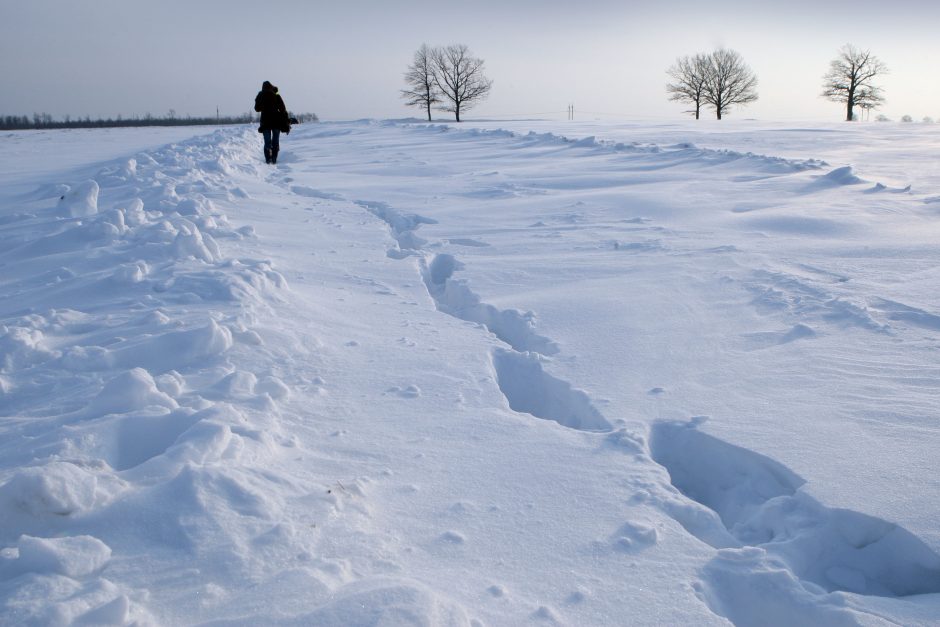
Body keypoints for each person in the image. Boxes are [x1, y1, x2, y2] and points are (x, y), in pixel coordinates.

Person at [254, 81, 290, 164]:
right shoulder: (275, 94)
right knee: (275, 141)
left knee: (267, 142)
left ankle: (268, 159)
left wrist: (259, 99)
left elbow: (257, 108)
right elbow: (282, 108)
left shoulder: (261, 95)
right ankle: (274, 159)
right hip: (276, 122)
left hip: (265, 122)